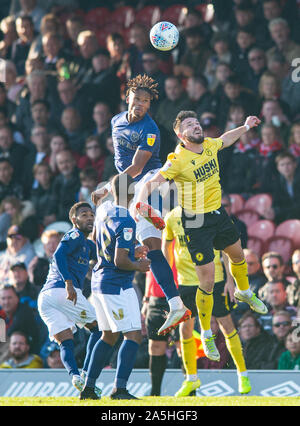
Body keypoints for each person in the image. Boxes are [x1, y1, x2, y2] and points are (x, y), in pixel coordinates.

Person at [135, 110, 268, 361]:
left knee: (238, 256)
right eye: (189, 125)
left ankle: (244, 291)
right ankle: (206, 332)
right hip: (196, 224)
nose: (196, 127)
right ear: (180, 134)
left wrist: (246, 126)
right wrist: (140, 201)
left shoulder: (208, 144)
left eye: (196, 123)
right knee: (206, 283)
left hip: (218, 213)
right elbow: (154, 179)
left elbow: (226, 139)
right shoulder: (177, 159)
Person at [96, 74, 191, 336]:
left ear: (150, 105)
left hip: (151, 179)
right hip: (128, 187)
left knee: (137, 197)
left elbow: (137, 168)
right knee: (152, 249)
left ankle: (142, 207)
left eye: (146, 101)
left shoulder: (150, 129)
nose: (140, 104)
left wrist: (108, 186)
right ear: (127, 98)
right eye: (137, 98)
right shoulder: (116, 121)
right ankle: (176, 304)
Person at [161, 205, 252, 395]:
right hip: (186, 282)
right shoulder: (171, 217)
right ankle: (191, 379)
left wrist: (229, 280)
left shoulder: (208, 212)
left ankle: (242, 374)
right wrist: (168, 280)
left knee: (227, 325)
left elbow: (225, 247)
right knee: (185, 330)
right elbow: (166, 247)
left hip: (215, 279)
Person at [79, 173, 150, 400]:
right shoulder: (126, 221)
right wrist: (139, 265)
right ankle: (119, 389)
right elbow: (120, 261)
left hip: (99, 283)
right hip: (117, 285)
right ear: (132, 193)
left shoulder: (103, 210)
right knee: (133, 336)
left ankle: (89, 387)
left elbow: (108, 243)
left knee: (108, 336)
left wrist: (133, 248)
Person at [37, 201, 102, 393]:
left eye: (91, 215)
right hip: (63, 291)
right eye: (84, 215)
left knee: (66, 341)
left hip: (46, 298)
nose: (89, 218)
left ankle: (75, 376)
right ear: (74, 220)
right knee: (99, 330)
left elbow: (101, 255)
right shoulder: (74, 235)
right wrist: (69, 282)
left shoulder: (87, 244)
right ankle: (87, 375)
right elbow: (58, 255)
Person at [0, 285, 40, 352]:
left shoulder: (24, 312)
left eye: (9, 298)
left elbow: (7, 337)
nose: (6, 302)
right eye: (3, 298)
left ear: (17, 298)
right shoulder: (2, 315)